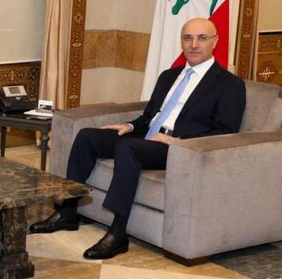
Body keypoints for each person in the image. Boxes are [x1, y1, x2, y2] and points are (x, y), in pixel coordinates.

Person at [31, 18, 246, 259]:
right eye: (188, 38)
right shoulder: (169, 76)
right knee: (88, 136)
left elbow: (226, 132)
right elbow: (149, 115)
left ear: (215, 41)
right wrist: (130, 125)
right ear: (182, 42)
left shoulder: (229, 85)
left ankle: (118, 233)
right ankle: (68, 211)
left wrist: (180, 141)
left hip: (179, 148)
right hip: (147, 137)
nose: (194, 44)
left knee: (129, 148)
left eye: (202, 38)